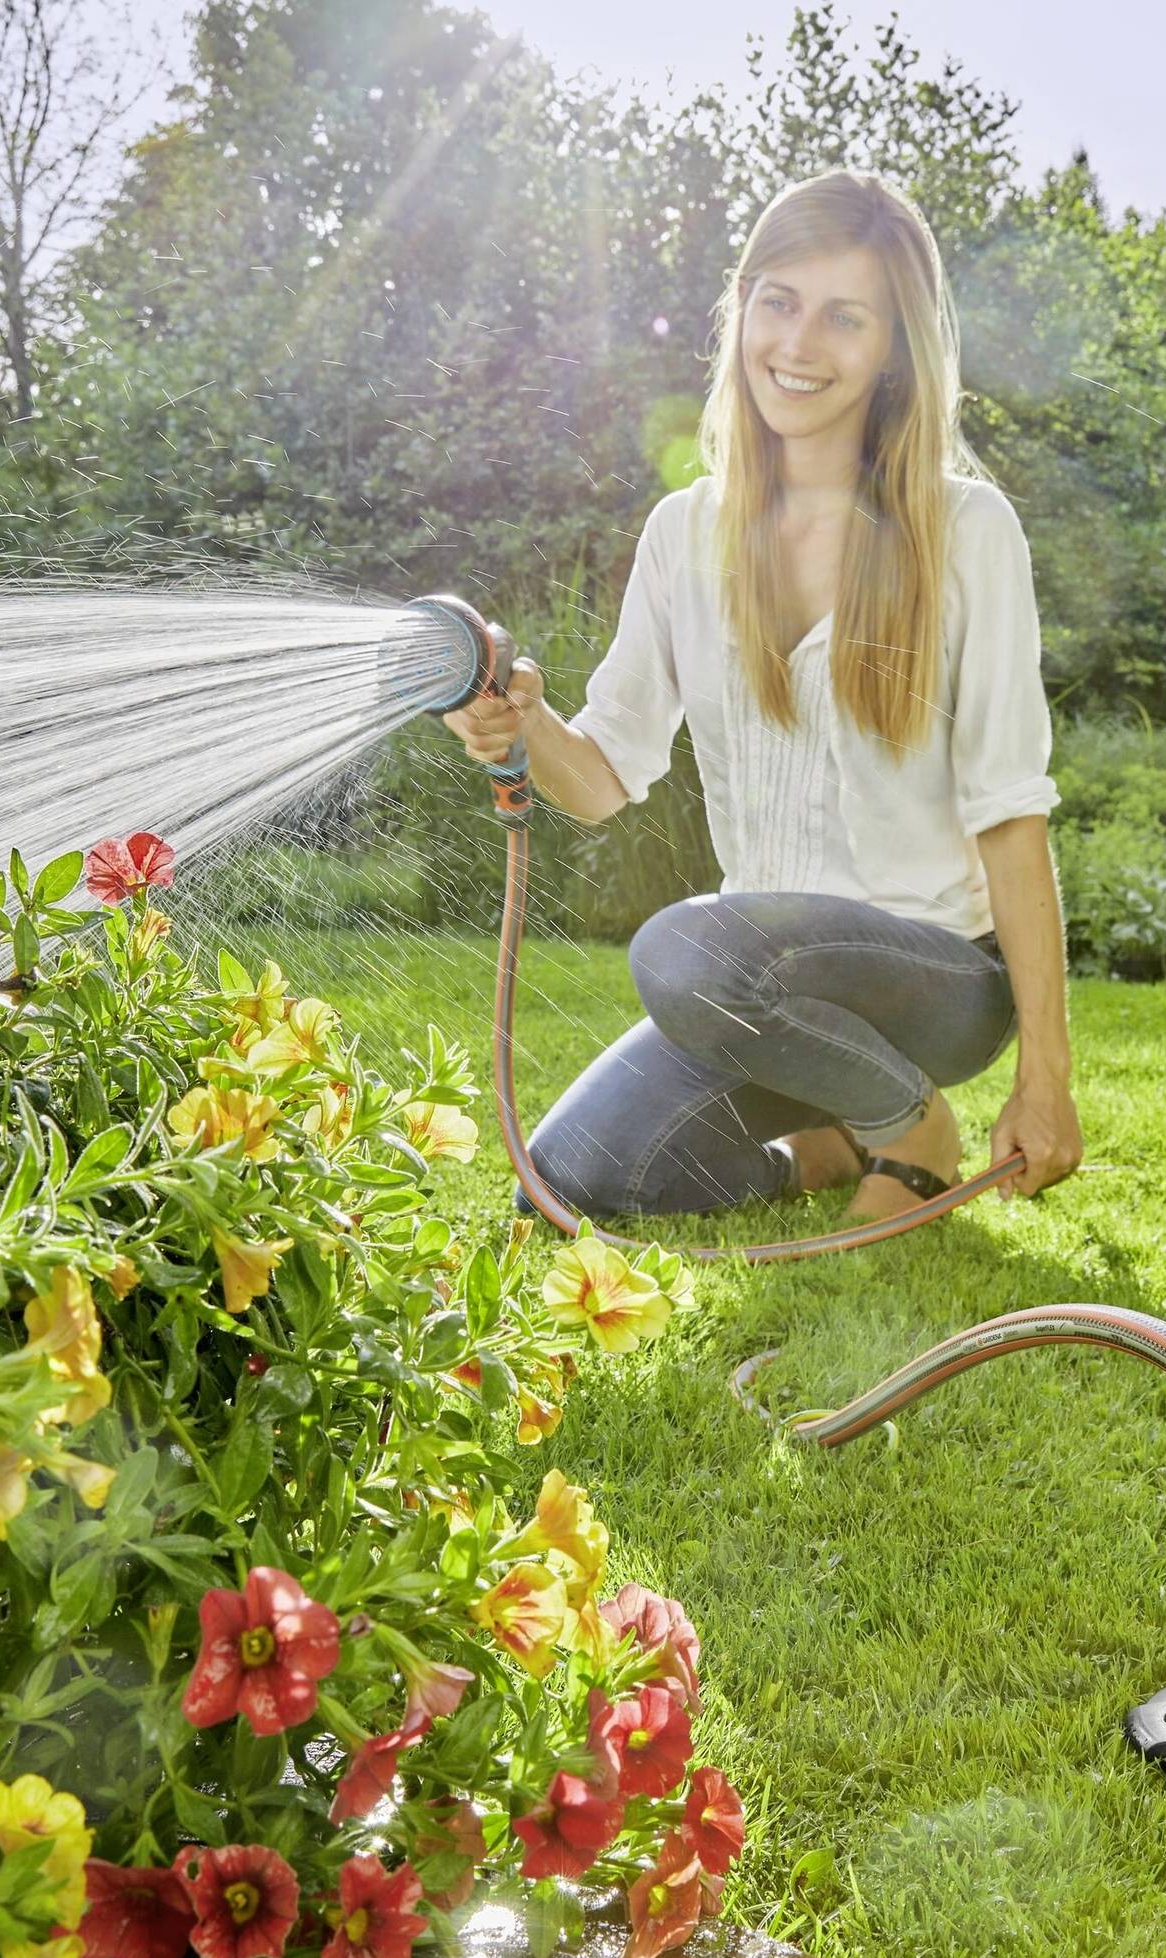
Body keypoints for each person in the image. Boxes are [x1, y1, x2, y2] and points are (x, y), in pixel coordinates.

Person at [446, 168, 1080, 1225]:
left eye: (846, 317)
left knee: (688, 948)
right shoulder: (687, 535)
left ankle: (906, 1118)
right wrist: (521, 724)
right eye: (777, 301)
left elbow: (1012, 817)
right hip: (752, 991)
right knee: (567, 1183)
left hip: (934, 980)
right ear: (740, 310)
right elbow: (603, 775)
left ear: (893, 351)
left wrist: (1046, 1075)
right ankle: (822, 1150)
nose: (799, 343)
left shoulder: (966, 531)